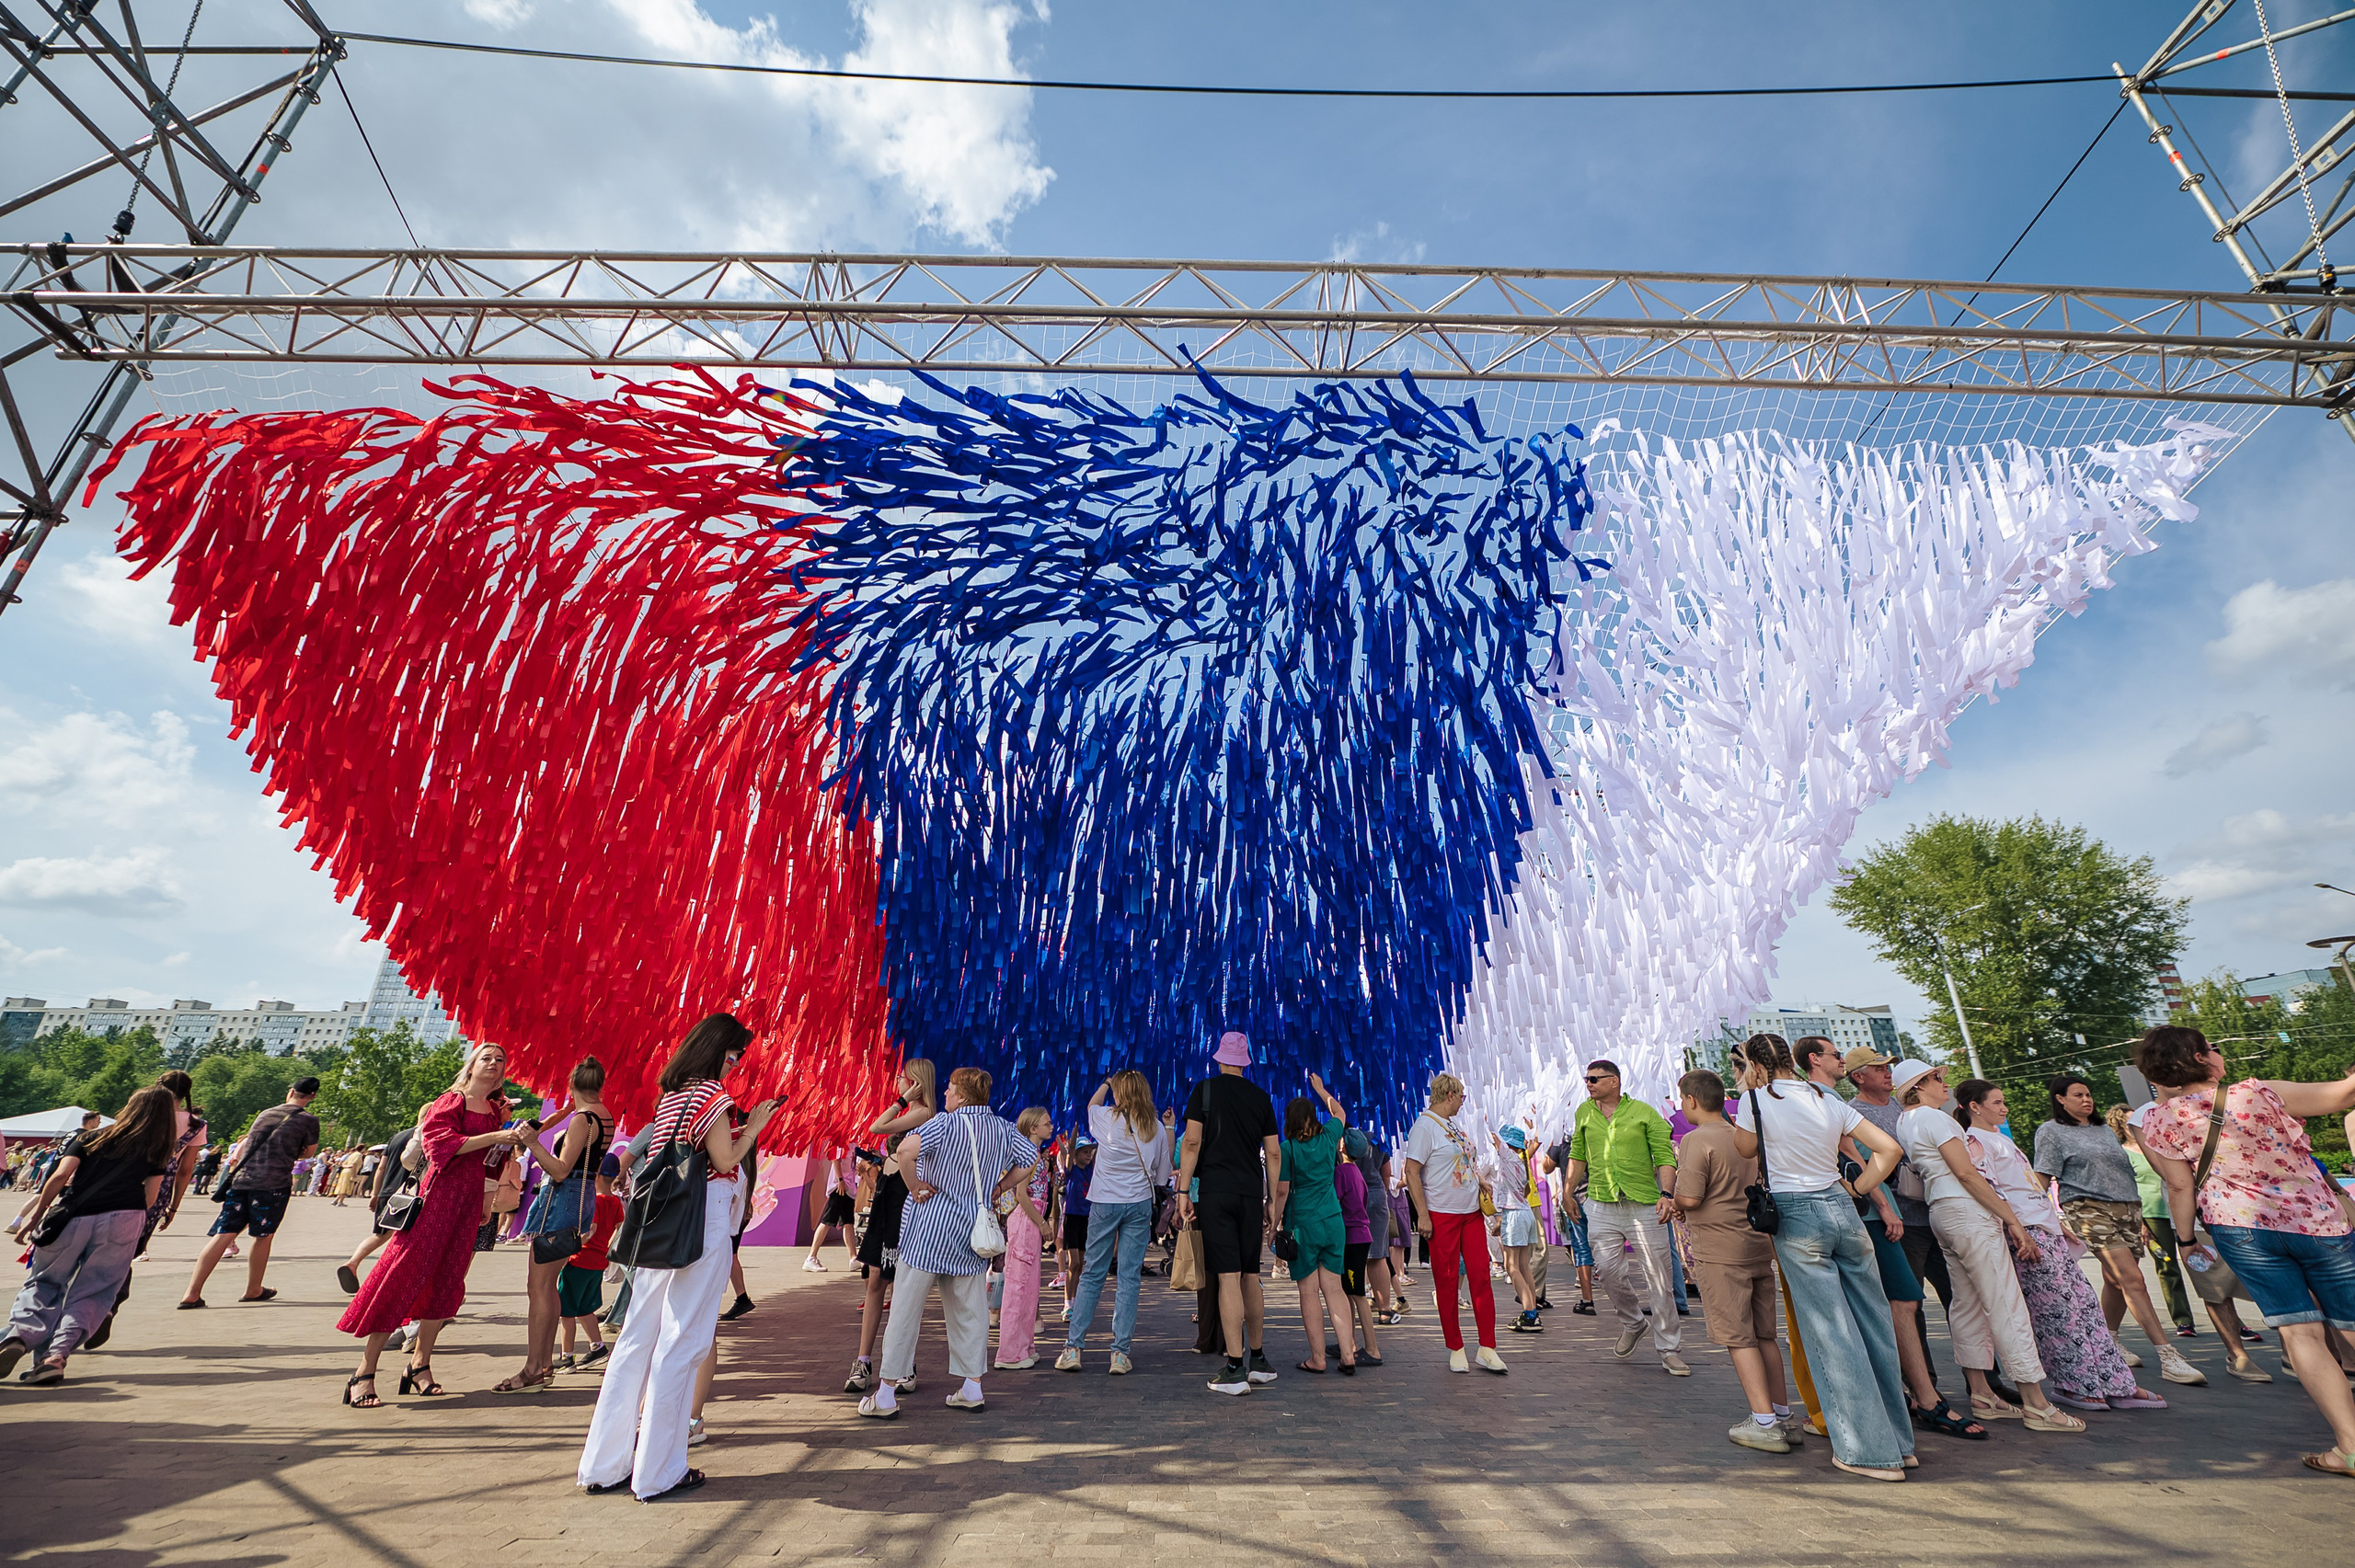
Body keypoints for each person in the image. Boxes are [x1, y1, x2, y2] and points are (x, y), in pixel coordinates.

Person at [2134, 1024, 2355, 1477]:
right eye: (2211, 1048)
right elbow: (2344, 1095)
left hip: (2240, 1229)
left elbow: (2179, 1186)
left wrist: (2186, 1240)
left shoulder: (2159, 1121)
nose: (2218, 1054)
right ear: (2199, 1058)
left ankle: (2350, 1447)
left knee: (2300, 1333)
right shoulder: (2256, 1092)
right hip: (2316, 1221)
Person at [580, 1013, 777, 1497]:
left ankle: (605, 1465)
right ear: (716, 1050)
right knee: (682, 1340)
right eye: (734, 1055)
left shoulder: (672, 1096)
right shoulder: (713, 1095)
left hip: (659, 1222)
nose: (735, 1064)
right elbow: (725, 1160)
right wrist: (753, 1127)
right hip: (702, 1218)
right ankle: (659, 1471)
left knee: (635, 1340)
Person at [1728, 1033, 1914, 1482]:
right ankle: (1900, 1443)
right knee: (1874, 1325)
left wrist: (1752, 1087)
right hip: (1841, 1207)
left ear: (1755, 1064)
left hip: (1796, 1214)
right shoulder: (1825, 1097)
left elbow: (1746, 1149)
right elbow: (1890, 1149)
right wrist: (1860, 1187)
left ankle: (1867, 1451)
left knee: (1831, 1334)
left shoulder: (1755, 1101)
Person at [1891, 1059, 2085, 1433]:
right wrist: (2012, 1220)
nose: (1943, 1082)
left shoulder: (1906, 1120)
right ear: (1917, 1086)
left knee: (1966, 1304)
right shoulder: (1934, 1118)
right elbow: (1966, 1173)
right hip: (1967, 1209)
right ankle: (2037, 1404)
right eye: (1935, 1077)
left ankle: (1982, 1394)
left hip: (1941, 1211)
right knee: (2005, 1302)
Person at [335, 1045, 530, 1405]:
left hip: (467, 1205)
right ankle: (364, 1371)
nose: (494, 1063)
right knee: (401, 1276)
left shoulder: (492, 1111)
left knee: (447, 1281)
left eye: (500, 1060)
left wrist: (486, 1202)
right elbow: (440, 1147)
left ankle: (419, 1364)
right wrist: (496, 1137)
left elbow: (491, 1163)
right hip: (436, 1199)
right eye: (486, 1058)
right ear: (471, 1066)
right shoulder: (451, 1101)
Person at [1958, 1081, 2164, 1411]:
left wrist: (2056, 1224)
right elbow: (1991, 1190)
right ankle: (2073, 1385)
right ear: (1975, 1107)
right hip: (2026, 1233)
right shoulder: (1975, 1141)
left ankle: (2116, 1383)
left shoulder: (1999, 1138)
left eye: (2003, 1101)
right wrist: (2017, 1228)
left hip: (2045, 1229)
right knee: (2056, 1312)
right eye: (1996, 1103)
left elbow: (2029, 1187)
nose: (2004, 1108)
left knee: (2085, 1305)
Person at [859, 1066, 1039, 1419]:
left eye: (951, 1089)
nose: (945, 1093)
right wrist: (1000, 1187)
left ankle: (887, 1392)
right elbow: (1029, 1157)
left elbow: (906, 1151)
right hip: (971, 1233)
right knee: (971, 1312)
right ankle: (972, 1387)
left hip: (929, 1230)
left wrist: (914, 1186)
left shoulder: (944, 1124)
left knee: (905, 1310)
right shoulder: (1002, 1128)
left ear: (963, 1095)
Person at [2032, 1073, 2204, 1388]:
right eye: (2078, 1095)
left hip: (2129, 1208)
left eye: (2088, 1094)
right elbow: (2041, 1178)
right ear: (2060, 1099)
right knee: (2133, 1280)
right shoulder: (2051, 1131)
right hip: (2088, 1208)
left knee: (2116, 1280)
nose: (2087, 1099)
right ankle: (2168, 1356)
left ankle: (2107, 1341)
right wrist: (2039, 1220)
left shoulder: (2102, 1130)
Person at [0, 1086, 178, 1386]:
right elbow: (150, 1199)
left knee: (45, 1282)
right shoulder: (158, 1149)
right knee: (95, 1291)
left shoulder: (90, 1137)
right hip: (125, 1219)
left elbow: (59, 1176)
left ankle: (19, 1336)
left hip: (74, 1217)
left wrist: (35, 1216)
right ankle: (55, 1357)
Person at [1671, 1069, 1799, 1453]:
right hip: (1757, 1244)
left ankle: (1763, 1421)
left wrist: (1673, 1202)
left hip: (1719, 1250)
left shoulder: (1697, 1139)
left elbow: (1690, 1197)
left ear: (1691, 1100)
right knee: (1765, 1335)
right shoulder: (1744, 1136)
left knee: (1738, 1337)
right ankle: (1782, 1415)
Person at [1840, 1045, 1959, 1399]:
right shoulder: (1852, 1113)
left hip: (1935, 1212)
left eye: (1888, 1067)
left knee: (1959, 1298)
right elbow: (1860, 1165)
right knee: (1909, 1304)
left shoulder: (1904, 1106)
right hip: (1899, 1219)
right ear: (1859, 1077)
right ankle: (1925, 1388)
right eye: (1879, 1068)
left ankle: (1986, 1381)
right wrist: (1885, 1207)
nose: (1887, 1073)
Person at [1175, 1031, 1286, 1395]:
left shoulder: (1204, 1091)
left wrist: (1182, 1191)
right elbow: (1273, 1153)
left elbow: (1192, 1142)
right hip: (1251, 1193)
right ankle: (1259, 1360)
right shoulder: (1261, 1097)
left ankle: (1235, 1368)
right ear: (1245, 1062)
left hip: (1216, 1191)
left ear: (1220, 1059)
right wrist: (1271, 1200)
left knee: (1227, 1277)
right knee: (1251, 1276)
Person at [2125, 1099, 2270, 1376]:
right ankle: (2238, 1355)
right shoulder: (2145, 1114)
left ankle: (2291, 1352)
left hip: (2250, 1208)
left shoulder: (2224, 1098)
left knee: (2271, 1279)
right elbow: (2169, 1174)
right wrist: (2186, 1236)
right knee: (2213, 1285)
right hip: (2199, 1213)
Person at [499, 1056, 613, 1393]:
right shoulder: (602, 1114)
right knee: (548, 1286)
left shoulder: (583, 1119)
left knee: (539, 1287)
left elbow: (561, 1170)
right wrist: (558, 1117)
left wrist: (533, 1144)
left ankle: (534, 1368)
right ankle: (544, 1363)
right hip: (579, 1199)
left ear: (571, 1084)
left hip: (562, 1200)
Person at [1565, 1059, 1685, 1376]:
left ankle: (1669, 1349)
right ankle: (1633, 1322)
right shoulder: (1584, 1113)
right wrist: (1567, 1192)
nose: (1588, 1084)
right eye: (1586, 1079)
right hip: (1601, 1203)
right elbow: (1577, 1154)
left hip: (1644, 1205)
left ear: (1614, 1081)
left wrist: (1667, 1194)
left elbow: (1665, 1157)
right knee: (1607, 1272)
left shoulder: (1644, 1113)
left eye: (1594, 1079)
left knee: (1659, 1279)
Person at [1059, 1070, 1169, 1374]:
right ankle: (1120, 1353)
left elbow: (1091, 1105)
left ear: (1119, 1093)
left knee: (1093, 1273)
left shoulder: (1106, 1117)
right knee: (1129, 1278)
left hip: (1105, 1201)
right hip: (1139, 1203)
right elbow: (1162, 1176)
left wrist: (1107, 1082)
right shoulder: (1156, 1126)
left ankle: (1073, 1348)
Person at [180, 1077, 320, 1309]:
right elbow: (308, 1153)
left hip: (242, 1180)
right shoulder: (308, 1120)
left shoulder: (265, 1114)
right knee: (263, 1236)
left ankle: (191, 1293)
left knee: (224, 1234)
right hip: (273, 1183)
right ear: (312, 1096)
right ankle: (253, 1289)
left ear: (291, 1091)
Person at [1402, 1071, 1507, 1375]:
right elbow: (1411, 1171)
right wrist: (1423, 1215)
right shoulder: (1425, 1127)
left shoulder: (1452, 1125)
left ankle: (1487, 1347)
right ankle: (1456, 1347)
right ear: (1449, 1096)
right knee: (1447, 1283)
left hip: (1470, 1213)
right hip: (1442, 1214)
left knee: (1481, 1278)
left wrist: (1480, 1179)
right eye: (1461, 1097)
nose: (1463, 1102)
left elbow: (1463, 1161)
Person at [845, 1059, 935, 1396]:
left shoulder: (923, 1113)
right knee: (875, 1281)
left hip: (904, 1201)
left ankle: (902, 1362)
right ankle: (863, 1360)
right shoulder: (913, 1113)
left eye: (902, 1077)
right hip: (886, 1195)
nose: (897, 1081)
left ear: (915, 1082)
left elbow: (878, 1127)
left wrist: (901, 1100)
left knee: (900, 1285)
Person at [1274, 1074, 1357, 1375]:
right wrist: (1321, 1090)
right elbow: (1340, 1113)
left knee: (1309, 1293)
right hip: (1333, 1220)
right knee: (1334, 1289)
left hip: (1303, 1226)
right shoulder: (1328, 1138)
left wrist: (1273, 1226)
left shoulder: (1287, 1149)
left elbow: (1282, 1191)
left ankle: (1318, 1358)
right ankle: (1348, 1354)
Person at [994, 1108, 1054, 1369]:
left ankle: (1024, 1346)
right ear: (1032, 1128)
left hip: (1030, 1221)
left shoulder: (1035, 1155)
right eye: (1046, 1123)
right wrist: (1042, 1222)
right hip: (1026, 1221)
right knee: (1018, 1288)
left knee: (1029, 1288)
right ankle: (1010, 1352)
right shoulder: (1028, 1156)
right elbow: (1021, 1194)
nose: (1051, 1127)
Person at [555, 1153, 624, 1371]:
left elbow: (588, 1231)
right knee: (585, 1308)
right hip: (598, 1262)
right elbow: (619, 1228)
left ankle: (567, 1357)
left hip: (579, 1260)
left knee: (566, 1311)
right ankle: (597, 1346)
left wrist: (567, 1252)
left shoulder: (593, 1201)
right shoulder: (615, 1201)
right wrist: (606, 1248)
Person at [339, 1117, 419, 1294]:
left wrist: (376, 1193)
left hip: (386, 1191)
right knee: (405, 1238)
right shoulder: (425, 1136)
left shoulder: (397, 1137)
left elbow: (381, 1167)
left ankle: (353, 1262)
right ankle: (385, 1279)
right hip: (408, 1194)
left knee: (380, 1235)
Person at [1339, 1130, 1387, 1362]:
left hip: (1352, 1239)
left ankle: (1371, 1348)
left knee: (1357, 1293)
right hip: (1361, 1235)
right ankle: (1349, 1342)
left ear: (1342, 1147)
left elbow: (1336, 1202)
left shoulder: (1342, 1173)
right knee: (1349, 1292)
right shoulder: (1359, 1174)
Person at [1490, 1126, 1541, 1333]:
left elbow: (1493, 1136)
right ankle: (1532, 1310)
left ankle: (1530, 1314)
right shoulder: (1520, 1162)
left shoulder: (1508, 1157)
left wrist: (1485, 1119)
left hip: (1514, 1215)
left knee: (1511, 1267)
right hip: (1525, 1213)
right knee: (1523, 1266)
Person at [1057, 1140, 1095, 1320]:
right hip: (1072, 1218)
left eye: (1090, 1152)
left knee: (1080, 1265)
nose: (1088, 1155)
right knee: (1074, 1263)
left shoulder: (1090, 1170)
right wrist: (1073, 1129)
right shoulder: (1071, 1170)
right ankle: (1067, 1304)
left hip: (1085, 1219)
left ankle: (1074, 1300)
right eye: (1085, 1152)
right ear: (1076, 1154)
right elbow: (1069, 1150)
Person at [803, 1152, 856, 1273]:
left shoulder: (854, 1144)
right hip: (839, 1187)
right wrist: (840, 1180)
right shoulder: (841, 1143)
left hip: (849, 1187)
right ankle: (811, 1257)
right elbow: (835, 1159)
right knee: (828, 1220)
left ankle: (853, 1258)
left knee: (848, 1222)